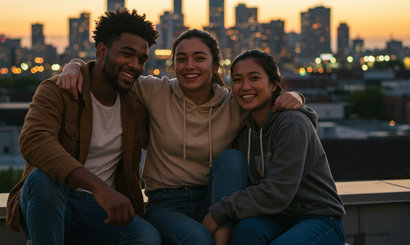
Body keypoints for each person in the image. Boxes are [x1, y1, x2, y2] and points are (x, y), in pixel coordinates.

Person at [58, 29, 303, 245]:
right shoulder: (155, 90)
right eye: (181, 59)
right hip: (166, 203)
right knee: (197, 238)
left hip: (213, 198)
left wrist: (299, 99)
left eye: (199, 58)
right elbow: (110, 72)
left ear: (215, 66)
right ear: (173, 65)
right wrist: (75, 65)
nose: (189, 66)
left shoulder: (233, 104)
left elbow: (271, 106)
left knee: (232, 159)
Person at [6, 9, 161, 245]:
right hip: (56, 200)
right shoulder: (58, 90)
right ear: (101, 51)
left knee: (147, 237)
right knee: (44, 179)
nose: (135, 65)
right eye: (127, 54)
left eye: (141, 59)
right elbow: (34, 141)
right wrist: (99, 188)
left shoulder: (137, 105)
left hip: (101, 212)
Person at [201, 49, 346, 244]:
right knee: (244, 232)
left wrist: (218, 212)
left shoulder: (291, 124)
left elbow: (278, 192)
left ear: (274, 85)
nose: (245, 87)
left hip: (318, 218)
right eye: (237, 80)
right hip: (274, 219)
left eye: (254, 78)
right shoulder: (243, 130)